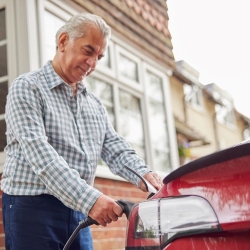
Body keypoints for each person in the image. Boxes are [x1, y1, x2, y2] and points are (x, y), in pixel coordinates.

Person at [1, 12, 163, 250]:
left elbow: (115, 149)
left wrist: (145, 176)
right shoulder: (28, 88)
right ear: (63, 41)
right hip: (32, 208)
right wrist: (91, 200)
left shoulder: (94, 105)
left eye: (99, 56)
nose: (93, 64)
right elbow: (40, 155)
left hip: (78, 208)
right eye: (88, 51)